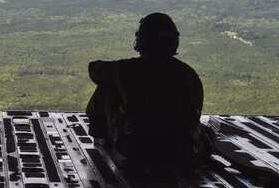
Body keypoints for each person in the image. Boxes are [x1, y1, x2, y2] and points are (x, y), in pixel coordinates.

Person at [85, 12, 211, 166]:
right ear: (174, 41)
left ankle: (101, 137)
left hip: (135, 149)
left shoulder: (126, 70)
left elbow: (95, 71)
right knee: (207, 134)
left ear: (141, 40)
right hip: (179, 152)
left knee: (106, 86)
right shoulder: (190, 75)